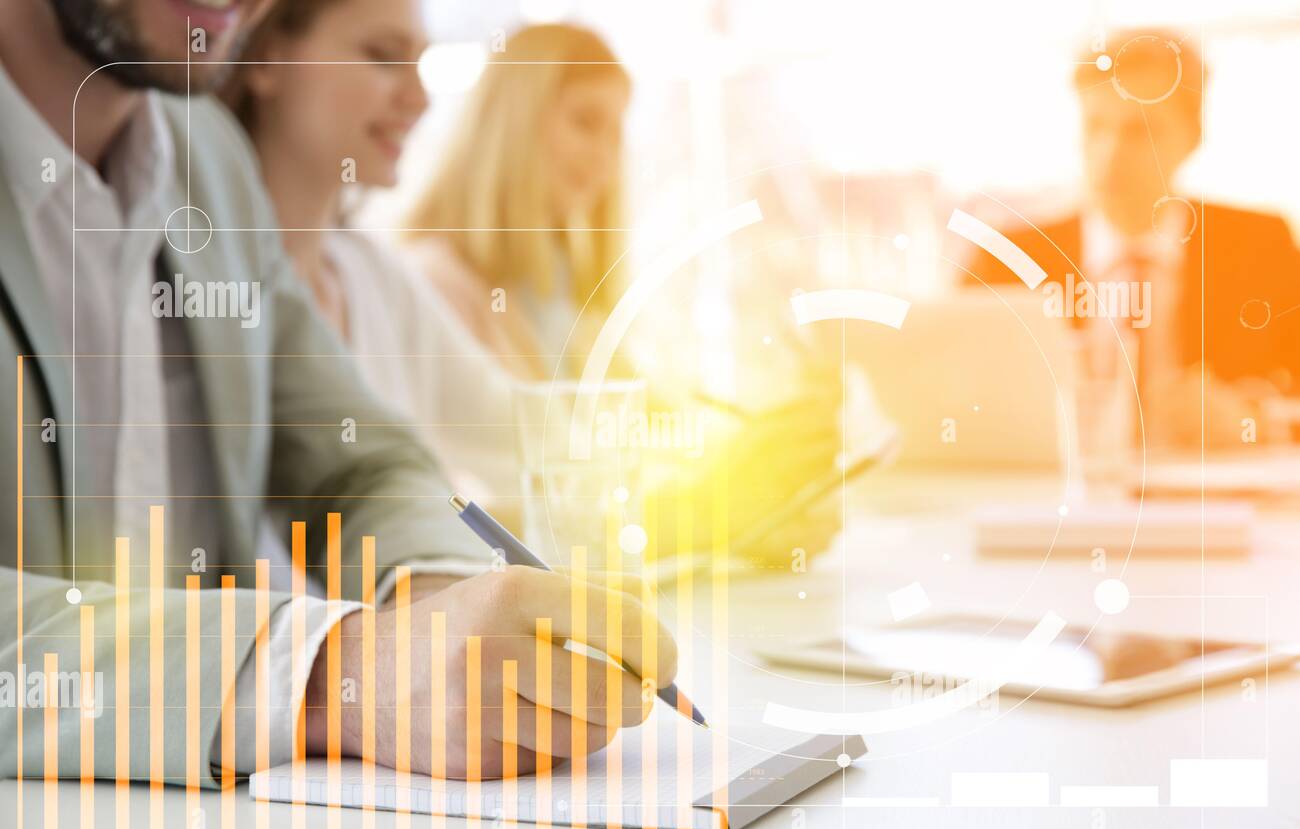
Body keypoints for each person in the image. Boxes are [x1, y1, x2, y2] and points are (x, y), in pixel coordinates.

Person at [0, 0, 670, 786]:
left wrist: (441, 602)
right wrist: (335, 678)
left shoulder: (206, 160)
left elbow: (358, 461)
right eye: (382, 54)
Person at [400, 23, 843, 564]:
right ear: (512, 125)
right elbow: (496, 510)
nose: (605, 154)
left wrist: (762, 495)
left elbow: (651, 450)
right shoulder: (430, 289)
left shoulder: (566, 298)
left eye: (615, 131)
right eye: (585, 122)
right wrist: (711, 513)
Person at [223, 0, 516, 502]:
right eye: (384, 56)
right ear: (266, 59)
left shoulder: (375, 276)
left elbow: (509, 425)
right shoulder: (200, 287)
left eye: (420, 64)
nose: (419, 98)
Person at [960, 28, 1300, 450]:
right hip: (1057, 498)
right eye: (1096, 127)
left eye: (1140, 132)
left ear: (1192, 137)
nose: (1110, 153)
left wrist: (1254, 419)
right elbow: (953, 398)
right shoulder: (1006, 257)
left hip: (1212, 498)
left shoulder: (1261, 246)